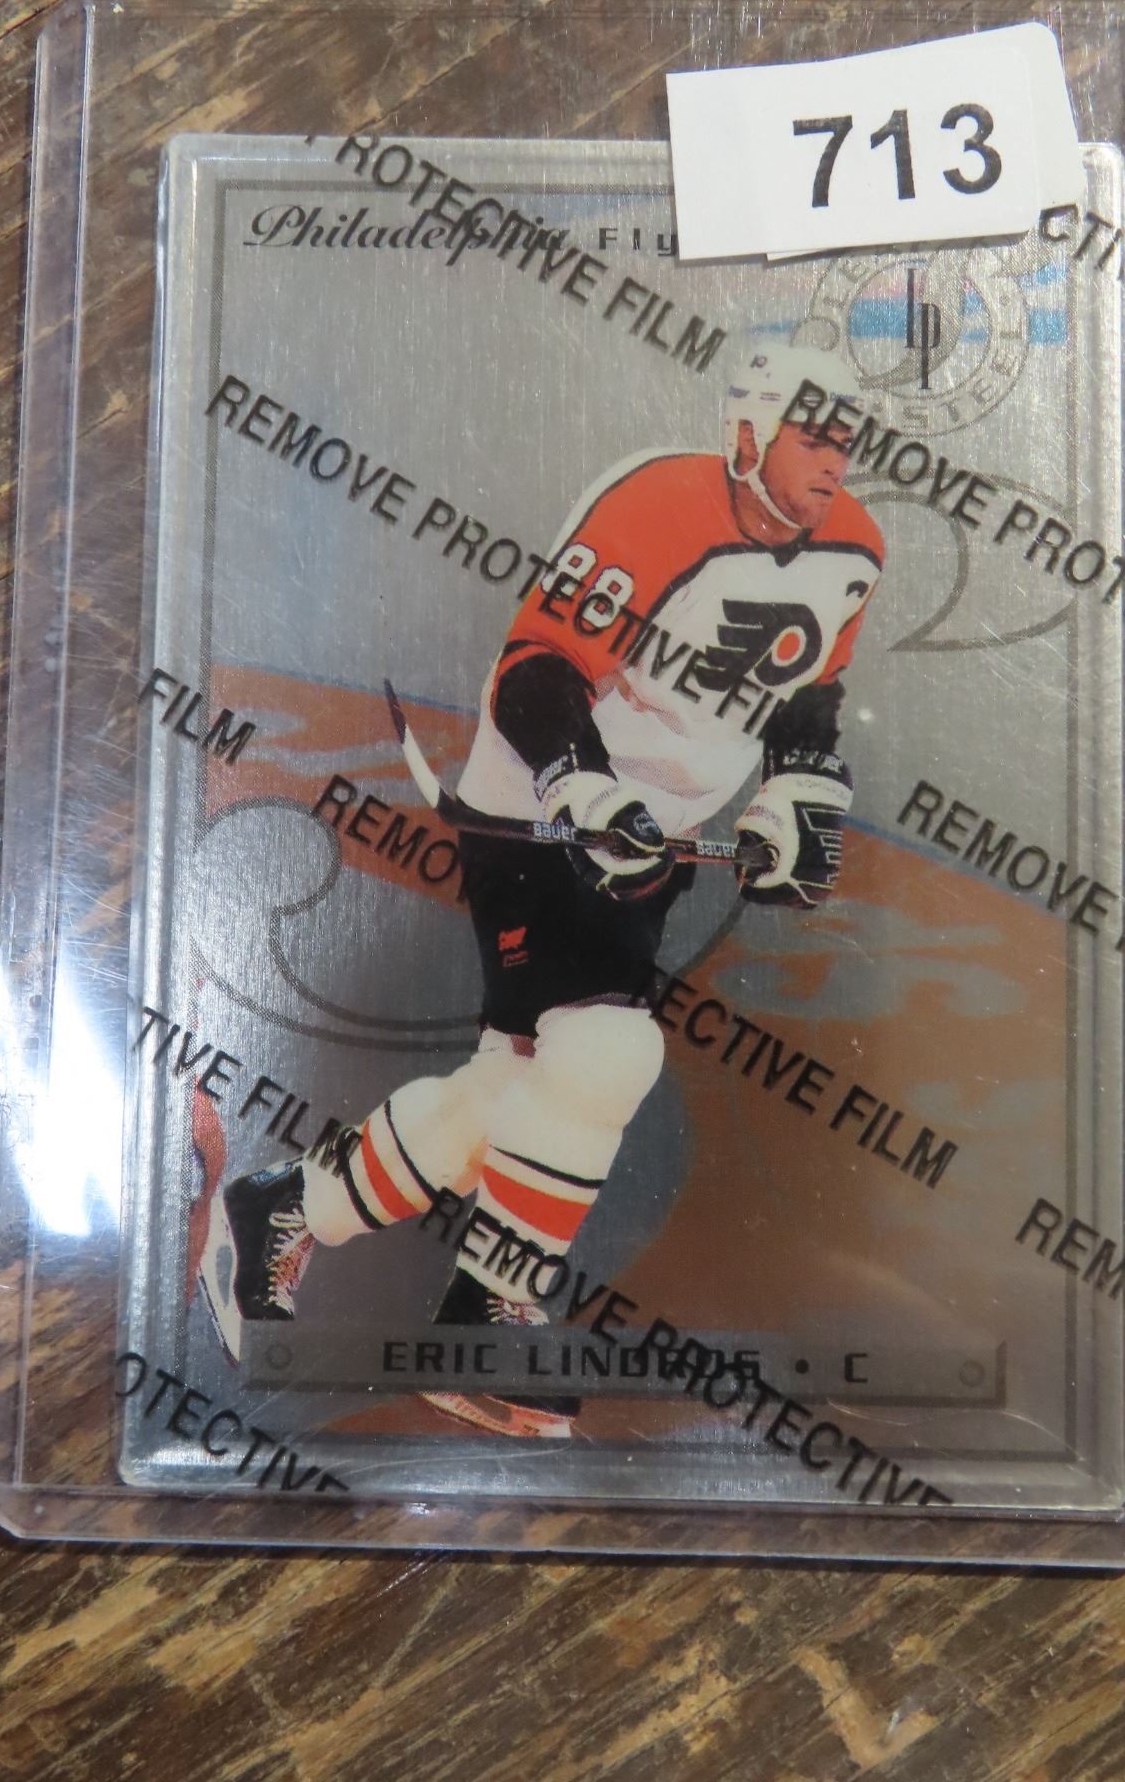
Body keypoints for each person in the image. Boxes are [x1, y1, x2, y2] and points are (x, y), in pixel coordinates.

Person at [201, 343, 885, 1438]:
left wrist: (796, 799)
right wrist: (583, 788)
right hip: (534, 807)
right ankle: (487, 1315)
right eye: (814, 436)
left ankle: (288, 1206)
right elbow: (537, 669)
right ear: (747, 434)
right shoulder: (655, 508)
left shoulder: (856, 546)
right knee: (605, 1052)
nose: (835, 460)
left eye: (847, 439)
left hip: (657, 837)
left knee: (520, 1087)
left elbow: (811, 697)